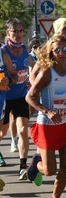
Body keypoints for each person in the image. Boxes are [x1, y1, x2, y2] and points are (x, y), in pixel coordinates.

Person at [25, 35, 66, 198]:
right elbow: (30, 97)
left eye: (65, 49)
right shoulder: (47, 73)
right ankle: (36, 164)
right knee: (49, 170)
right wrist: (47, 111)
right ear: (50, 52)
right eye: (57, 50)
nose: (61, 53)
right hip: (47, 126)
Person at [1, 18, 34, 181]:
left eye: (21, 31)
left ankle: (23, 166)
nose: (19, 34)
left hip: (21, 96)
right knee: (2, 132)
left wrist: (32, 82)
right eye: (15, 31)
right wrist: (6, 80)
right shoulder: (3, 51)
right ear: (8, 33)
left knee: (23, 130)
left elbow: (34, 66)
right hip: (5, 98)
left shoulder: (25, 49)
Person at [0, 47, 18, 166]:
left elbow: (14, 75)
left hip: (1, 99)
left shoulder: (2, 53)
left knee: (3, 131)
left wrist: (8, 81)